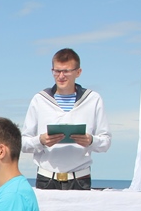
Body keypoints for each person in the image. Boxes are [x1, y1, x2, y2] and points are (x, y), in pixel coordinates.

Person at [21, 48, 110, 190]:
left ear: (78, 72)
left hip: (80, 179)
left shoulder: (93, 99)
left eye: (66, 71)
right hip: (46, 179)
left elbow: (106, 142)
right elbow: (23, 143)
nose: (61, 76)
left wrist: (90, 140)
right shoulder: (39, 100)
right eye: (57, 71)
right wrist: (41, 140)